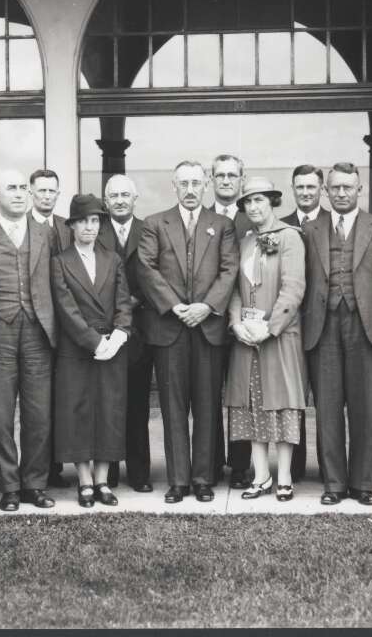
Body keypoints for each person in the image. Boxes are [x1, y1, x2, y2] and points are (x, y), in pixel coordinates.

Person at [137, 160, 239, 504]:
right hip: (169, 328)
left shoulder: (222, 225)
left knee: (207, 406)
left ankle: (202, 478)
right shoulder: (155, 223)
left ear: (206, 185)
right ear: (174, 185)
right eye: (184, 183)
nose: (191, 189)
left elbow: (229, 270)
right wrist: (175, 305)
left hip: (208, 328)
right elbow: (146, 267)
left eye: (197, 183)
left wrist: (206, 307)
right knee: (173, 407)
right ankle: (178, 480)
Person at [301, 163, 372, 506]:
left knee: (365, 406)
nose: (342, 193)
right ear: (326, 191)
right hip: (322, 325)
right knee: (327, 408)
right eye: (336, 188)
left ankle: (363, 483)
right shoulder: (310, 229)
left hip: (366, 324)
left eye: (348, 188)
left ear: (360, 189)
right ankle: (334, 484)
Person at [0, 169, 59, 512]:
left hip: (38, 332)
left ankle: (35, 483)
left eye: (23, 188)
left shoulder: (47, 234)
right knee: (1, 415)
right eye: (11, 188)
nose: (19, 194)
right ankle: (9, 485)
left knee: (39, 414)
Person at [223, 177, 307, 501]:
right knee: (251, 403)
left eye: (260, 200)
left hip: (278, 337)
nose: (254, 207)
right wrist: (236, 322)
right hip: (246, 338)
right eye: (248, 202)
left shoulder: (290, 237)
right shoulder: (244, 242)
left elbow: (293, 287)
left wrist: (270, 327)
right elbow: (234, 289)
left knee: (280, 404)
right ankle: (260, 476)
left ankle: (283, 476)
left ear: (272, 202)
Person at [50, 194, 133, 508]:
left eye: (95, 221)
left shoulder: (112, 259)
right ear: (72, 225)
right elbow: (66, 309)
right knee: (78, 413)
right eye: (83, 221)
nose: (89, 227)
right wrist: (94, 341)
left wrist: (119, 335)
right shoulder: (60, 262)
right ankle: (84, 481)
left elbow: (123, 302)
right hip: (78, 349)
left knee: (109, 412)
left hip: (112, 348)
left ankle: (103, 480)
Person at [100, 175, 155, 493]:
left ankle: (139, 473)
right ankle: (107, 472)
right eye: (114, 196)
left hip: (141, 330)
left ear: (135, 198)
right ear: (106, 201)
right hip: (105, 329)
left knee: (137, 405)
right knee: (107, 404)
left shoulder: (148, 229)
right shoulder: (97, 231)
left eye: (125, 195)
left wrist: (135, 301)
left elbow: (159, 272)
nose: (120, 200)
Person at [279, 163, 331, 482]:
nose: (306, 192)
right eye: (300, 187)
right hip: (291, 327)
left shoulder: (333, 222)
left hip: (326, 327)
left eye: (312, 187)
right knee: (293, 401)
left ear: (321, 189)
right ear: (293, 189)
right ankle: (294, 469)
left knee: (327, 404)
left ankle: (330, 468)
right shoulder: (281, 225)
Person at [208, 153, 254, 489]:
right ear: (212, 179)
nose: (226, 180)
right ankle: (209, 465)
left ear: (242, 179)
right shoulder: (199, 218)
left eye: (232, 175)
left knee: (242, 396)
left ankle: (240, 466)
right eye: (220, 175)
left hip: (243, 324)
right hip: (208, 321)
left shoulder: (252, 219)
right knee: (208, 394)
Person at [29, 167, 72, 489]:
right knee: (36, 404)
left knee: (63, 398)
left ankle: (57, 464)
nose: (46, 196)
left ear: (58, 194)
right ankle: (40, 469)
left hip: (68, 326)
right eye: (41, 190)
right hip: (34, 327)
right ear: (31, 193)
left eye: (51, 191)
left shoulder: (66, 228)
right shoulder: (23, 227)